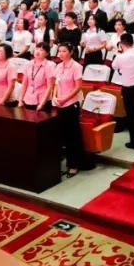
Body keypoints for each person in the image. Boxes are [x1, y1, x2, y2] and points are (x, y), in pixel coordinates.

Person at [51, 43, 91, 175]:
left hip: (71, 103)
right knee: (62, 134)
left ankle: (74, 164)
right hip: (60, 103)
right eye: (59, 51)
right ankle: (65, 162)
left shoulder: (76, 66)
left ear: (70, 52)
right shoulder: (58, 66)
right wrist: (55, 96)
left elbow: (78, 87)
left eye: (64, 51)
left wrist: (65, 98)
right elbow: (56, 83)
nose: (60, 54)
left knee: (73, 136)